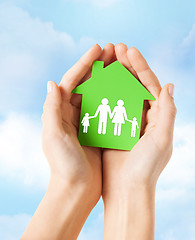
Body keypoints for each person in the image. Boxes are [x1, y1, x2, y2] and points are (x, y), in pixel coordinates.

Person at [21, 43, 176, 240]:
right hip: (101, 123)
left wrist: (128, 189)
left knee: (113, 128)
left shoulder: (117, 108)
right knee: (103, 126)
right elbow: (103, 112)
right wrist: (72, 182)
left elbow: (116, 113)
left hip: (119, 124)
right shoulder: (105, 107)